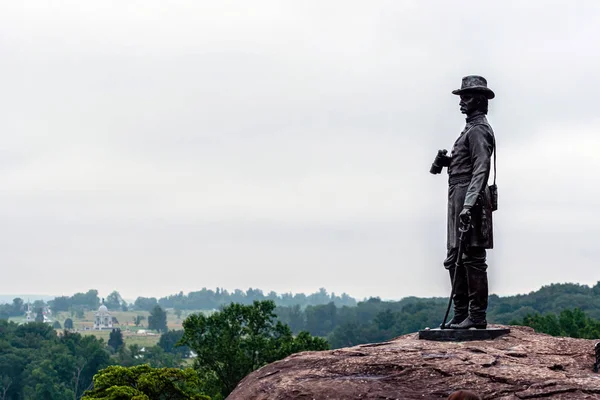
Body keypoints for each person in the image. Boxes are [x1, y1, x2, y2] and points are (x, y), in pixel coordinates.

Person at [430, 75, 496, 330]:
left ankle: (476, 316)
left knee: (471, 258)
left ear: (479, 101)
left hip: (471, 197)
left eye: (466, 97)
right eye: (460, 97)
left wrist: (468, 205)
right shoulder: (468, 130)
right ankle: (460, 314)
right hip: (457, 195)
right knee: (454, 257)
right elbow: (467, 164)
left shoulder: (479, 130)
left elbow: (481, 168)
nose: (461, 102)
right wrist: (446, 162)